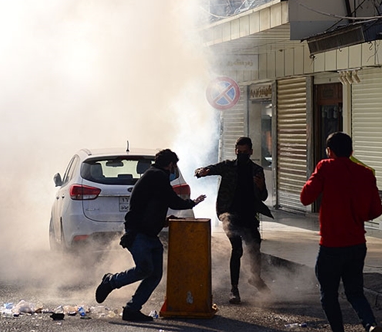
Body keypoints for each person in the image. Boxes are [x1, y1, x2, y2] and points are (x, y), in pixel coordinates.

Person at [300, 132, 382, 332]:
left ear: (330, 151)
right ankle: (371, 326)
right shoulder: (366, 173)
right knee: (355, 291)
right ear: (352, 151)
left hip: (331, 245)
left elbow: (306, 197)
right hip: (357, 243)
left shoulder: (326, 166)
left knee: (328, 294)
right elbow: (376, 210)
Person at [95, 149, 205, 322]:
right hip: (138, 233)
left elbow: (153, 204)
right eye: (174, 166)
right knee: (145, 269)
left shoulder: (153, 176)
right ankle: (111, 281)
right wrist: (192, 202)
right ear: (170, 164)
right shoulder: (157, 176)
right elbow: (172, 200)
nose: (174, 169)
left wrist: (162, 220)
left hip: (149, 234)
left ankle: (132, 309)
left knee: (154, 274)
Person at [195, 136, 272, 305]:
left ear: (251, 152)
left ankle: (255, 277)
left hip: (248, 214)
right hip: (228, 213)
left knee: (255, 245)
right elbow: (210, 169)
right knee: (237, 248)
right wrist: (201, 171)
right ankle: (234, 289)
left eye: (245, 152)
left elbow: (264, 196)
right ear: (236, 151)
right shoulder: (228, 166)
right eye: (239, 151)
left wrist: (260, 187)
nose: (242, 154)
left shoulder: (256, 170)